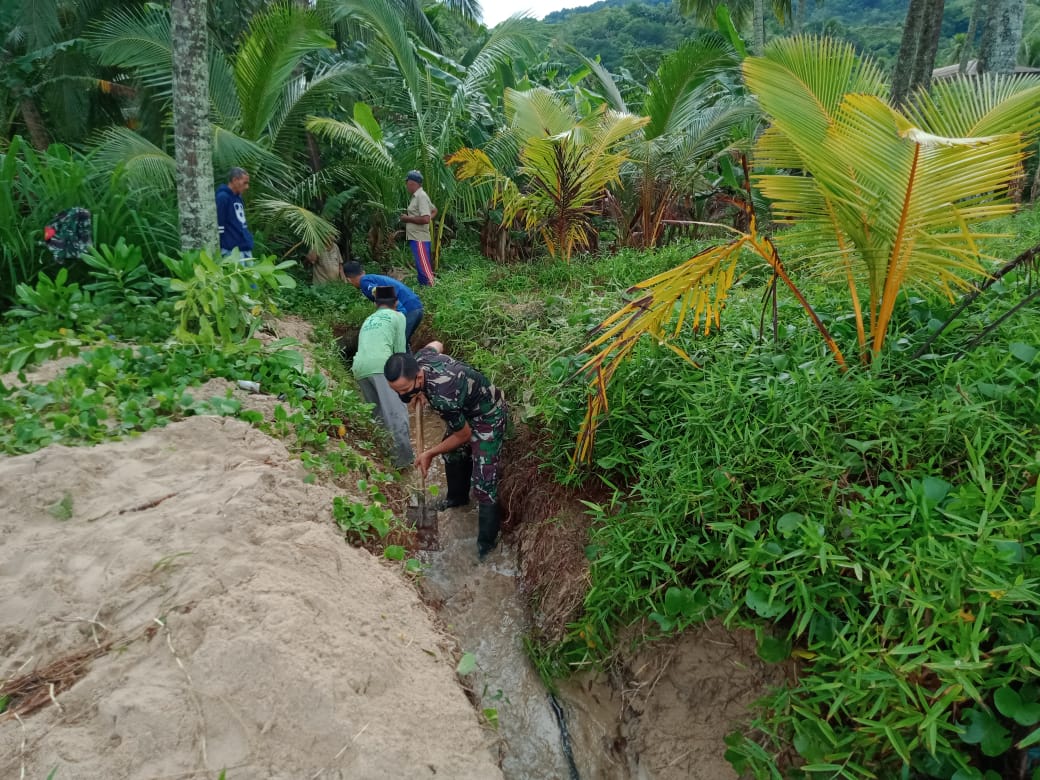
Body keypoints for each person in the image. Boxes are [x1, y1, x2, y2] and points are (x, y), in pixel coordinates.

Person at [385, 343, 507, 560]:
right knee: (452, 453)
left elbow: (464, 435)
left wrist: (429, 453)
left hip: (488, 415)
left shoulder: (443, 395)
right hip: (464, 408)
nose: (403, 396)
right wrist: (417, 394)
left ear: (419, 378)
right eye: (398, 392)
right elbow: (436, 344)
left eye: (405, 391)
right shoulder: (421, 359)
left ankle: (486, 548)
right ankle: (457, 499)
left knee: (483, 484)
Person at [353, 287, 415, 468]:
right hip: (382, 367)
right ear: (396, 303)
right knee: (396, 415)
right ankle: (404, 463)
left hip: (359, 368)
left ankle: (384, 460)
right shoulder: (398, 317)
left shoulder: (368, 319)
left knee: (378, 415)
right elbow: (400, 353)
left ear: (375, 304)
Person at [343, 260, 424, 348]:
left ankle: (408, 361)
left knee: (397, 346)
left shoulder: (364, 282)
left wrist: (401, 312)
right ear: (363, 272)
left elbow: (380, 291)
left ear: (349, 279)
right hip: (416, 307)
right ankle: (410, 360)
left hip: (408, 310)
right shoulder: (371, 278)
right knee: (402, 344)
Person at [401, 170, 436, 286]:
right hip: (415, 237)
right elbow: (434, 210)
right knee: (420, 266)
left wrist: (408, 219)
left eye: (407, 183)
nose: (406, 186)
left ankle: (432, 290)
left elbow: (425, 218)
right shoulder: (417, 196)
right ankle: (424, 290)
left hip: (419, 237)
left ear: (412, 183)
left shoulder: (421, 196)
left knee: (424, 268)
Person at [215, 167, 254, 259]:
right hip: (231, 250)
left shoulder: (238, 198)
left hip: (244, 248)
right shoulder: (222, 197)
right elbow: (219, 226)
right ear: (235, 180)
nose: (247, 187)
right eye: (245, 183)